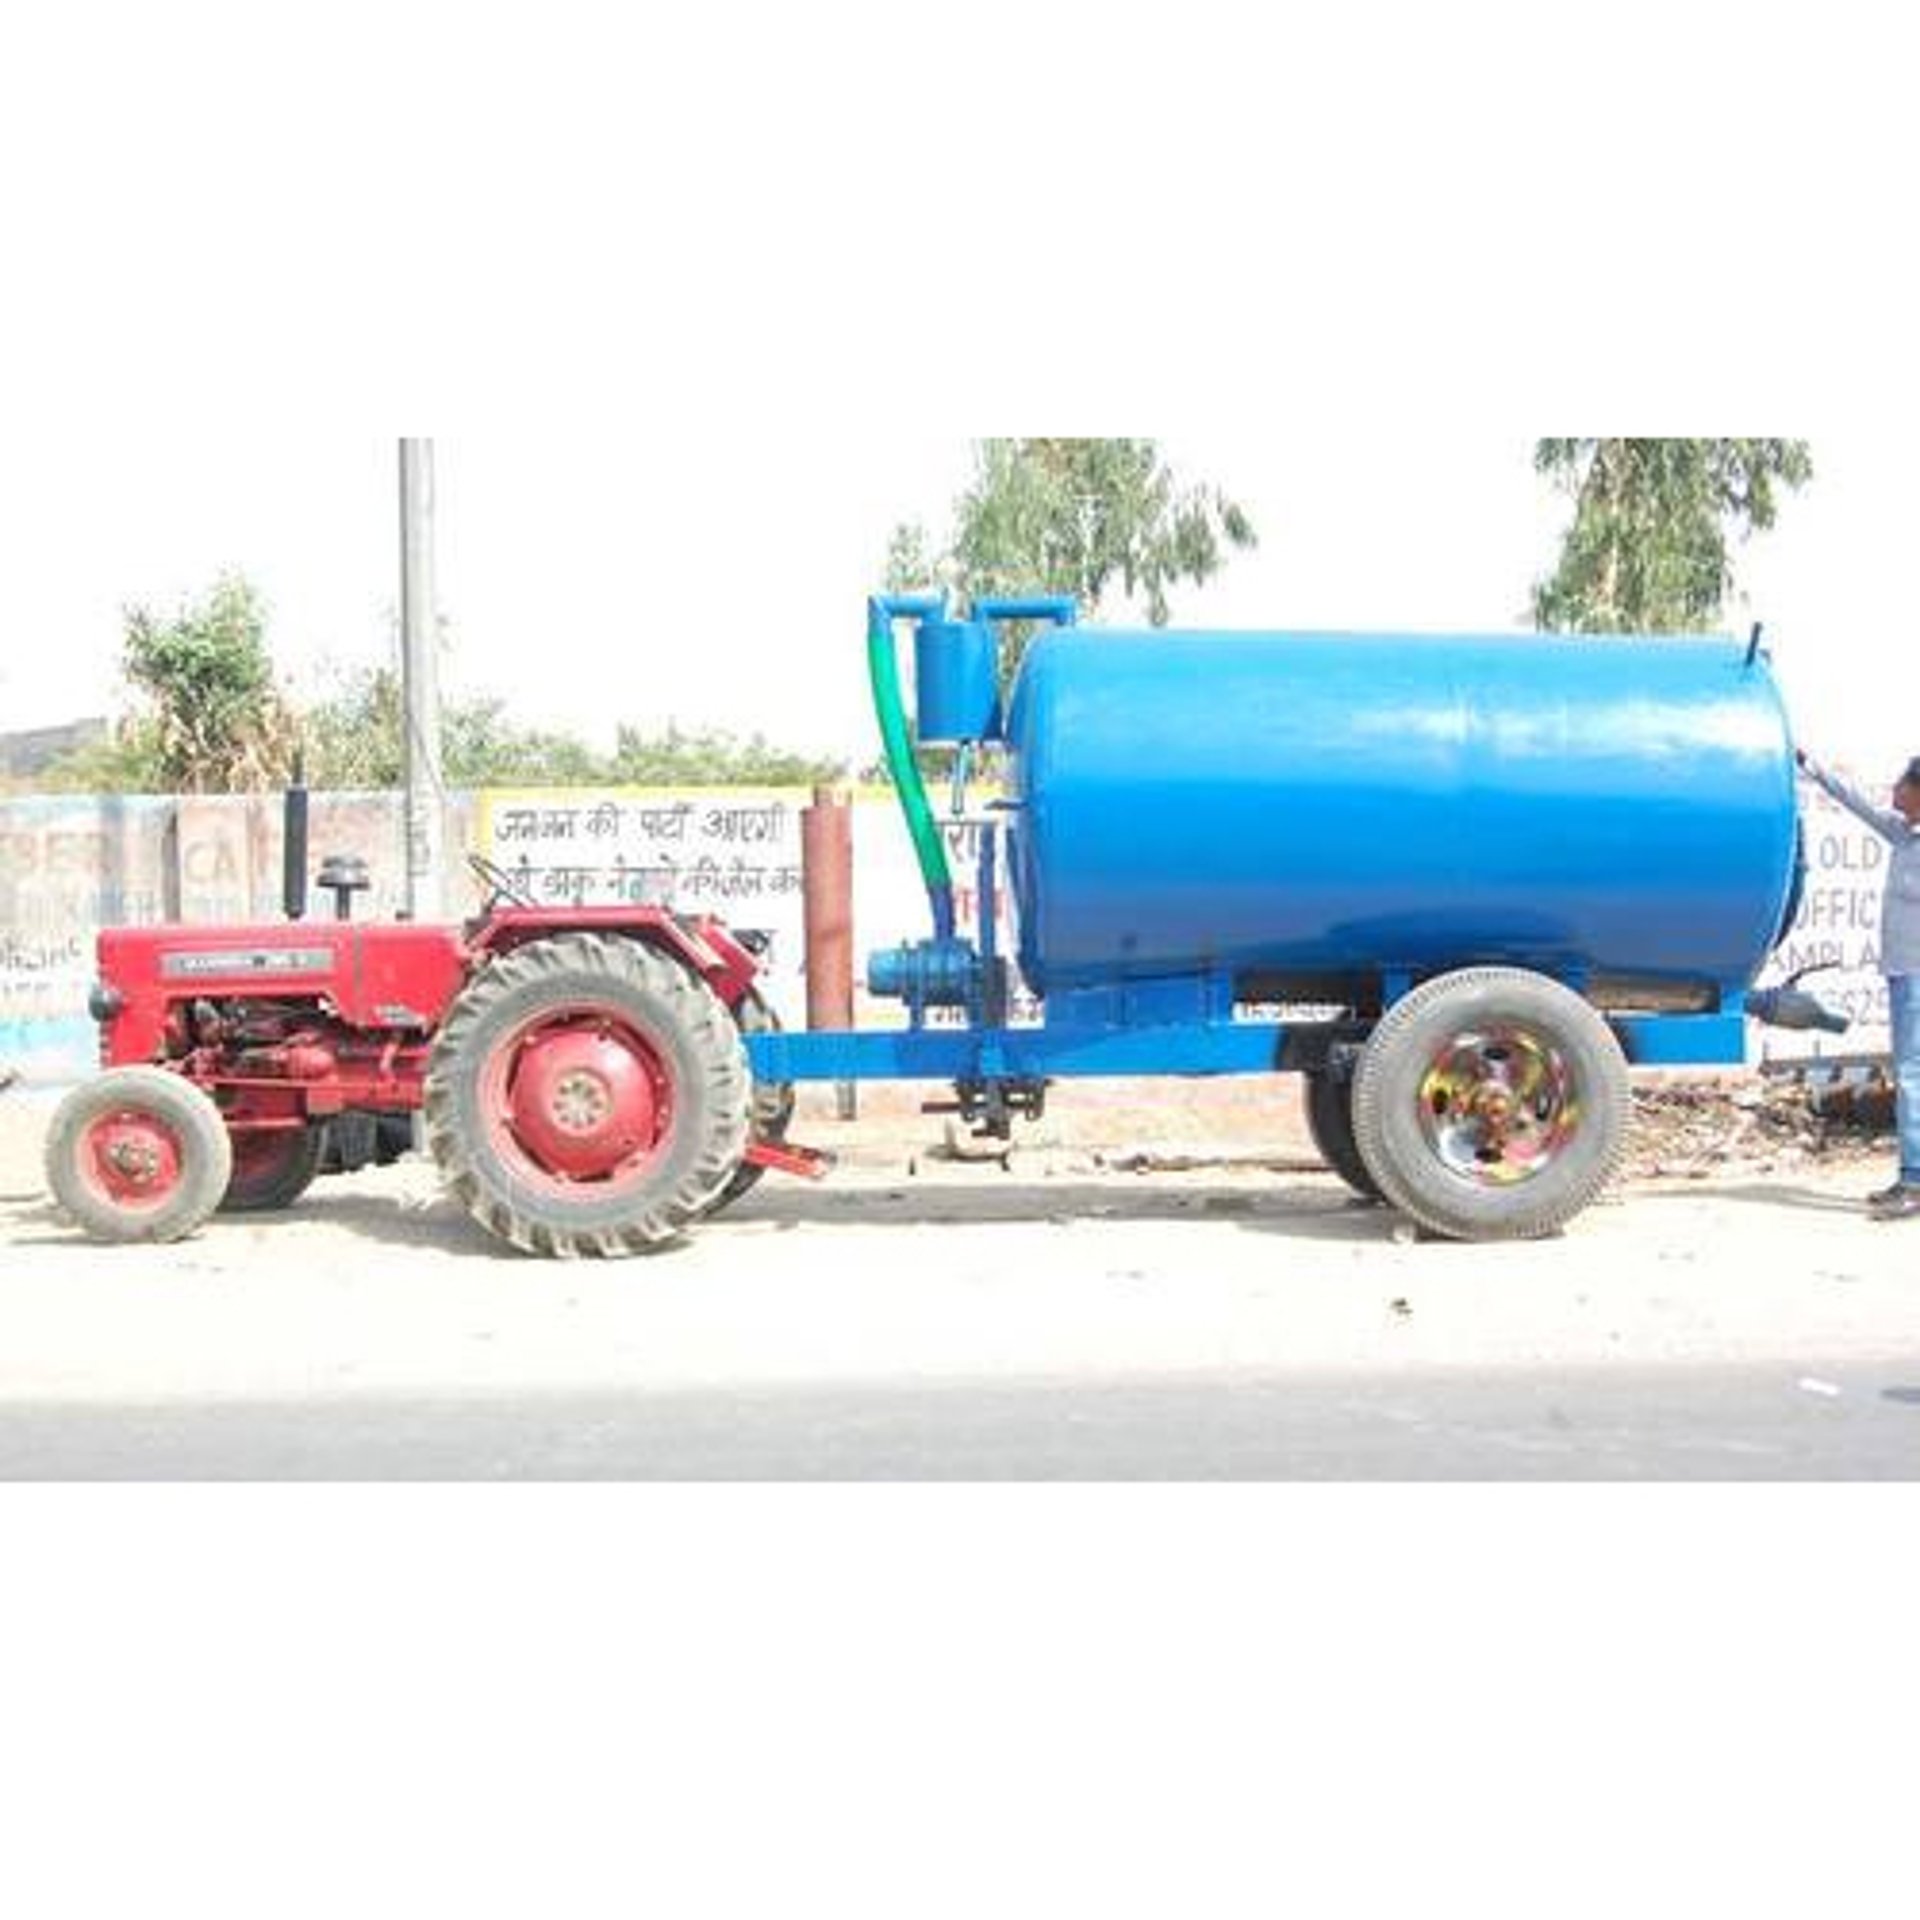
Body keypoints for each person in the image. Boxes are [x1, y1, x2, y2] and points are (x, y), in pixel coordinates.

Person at [1794, 745, 1920, 1218]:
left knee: (1911, 1074)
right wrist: (1809, 764)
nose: (1893, 790)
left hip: (1916, 976)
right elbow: (1854, 800)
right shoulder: (1904, 835)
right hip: (1902, 973)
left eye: (1903, 783)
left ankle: (1913, 1181)